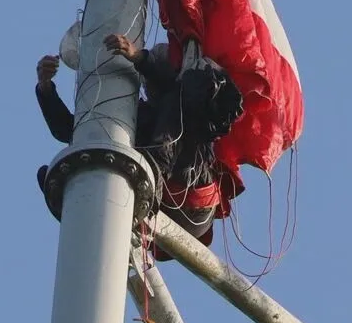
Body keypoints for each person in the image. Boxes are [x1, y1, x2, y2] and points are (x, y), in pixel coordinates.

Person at [35, 32, 245, 247]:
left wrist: (140, 58)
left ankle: (154, 168)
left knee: (178, 95)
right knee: (97, 133)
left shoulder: (194, 105)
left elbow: (181, 86)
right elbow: (67, 130)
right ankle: (85, 190)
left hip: (192, 204)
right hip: (161, 196)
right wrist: (45, 87)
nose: (147, 85)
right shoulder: (144, 115)